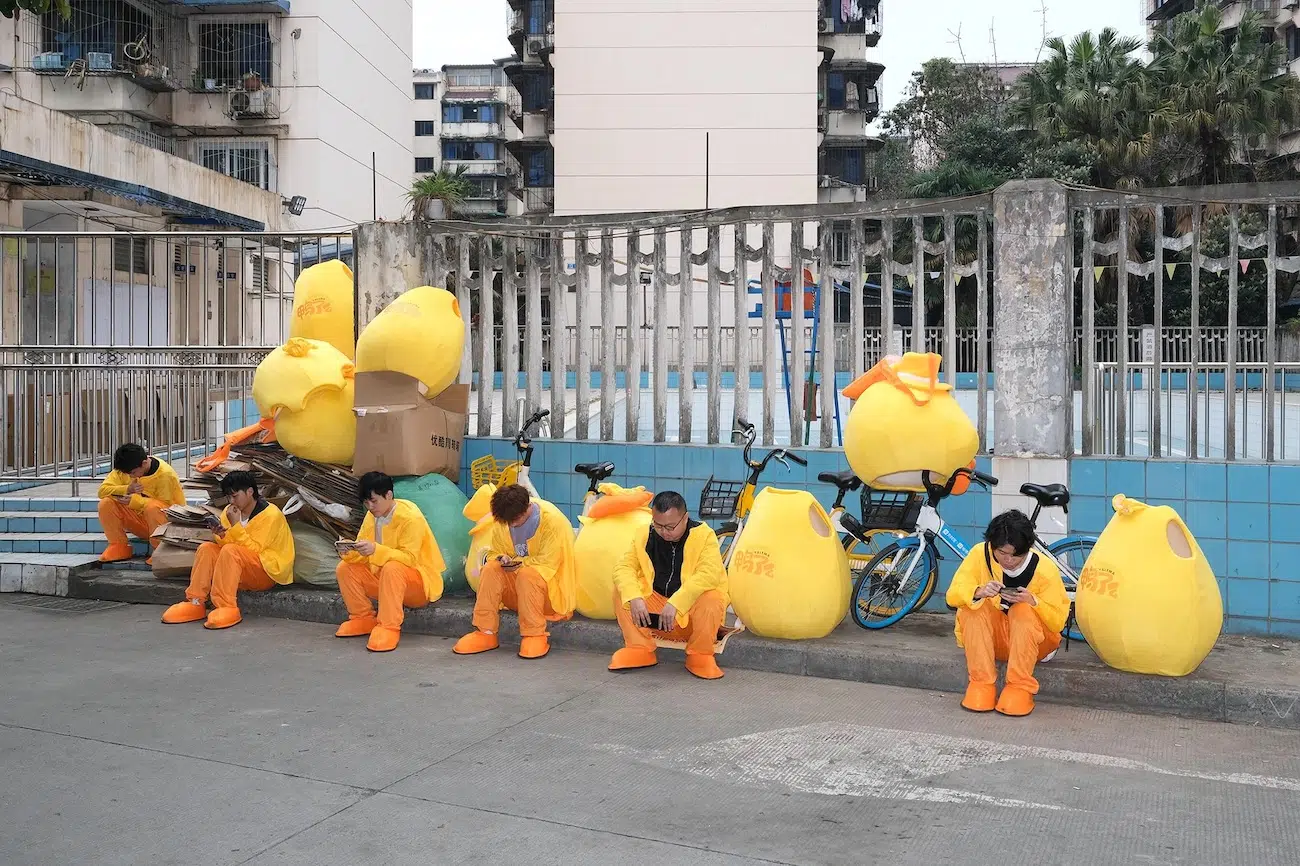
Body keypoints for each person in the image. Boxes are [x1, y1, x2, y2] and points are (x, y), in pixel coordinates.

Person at [945, 509, 1070, 717]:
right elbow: (953, 596)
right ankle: (981, 685)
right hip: (995, 642)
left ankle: (1019, 687)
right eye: (1002, 553)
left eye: (1015, 555)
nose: (1008, 560)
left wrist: (1034, 602)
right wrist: (978, 591)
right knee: (974, 608)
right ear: (992, 545)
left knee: (1022, 610)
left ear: (1027, 548)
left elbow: (1058, 622)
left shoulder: (1045, 568)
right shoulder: (979, 554)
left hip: (1035, 644)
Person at [609, 491, 729, 680]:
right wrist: (634, 597)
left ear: (685, 518)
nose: (664, 532)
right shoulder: (644, 534)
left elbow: (709, 574)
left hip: (687, 618)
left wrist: (676, 603)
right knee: (622, 591)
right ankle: (639, 648)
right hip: (656, 615)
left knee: (711, 598)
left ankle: (700, 654)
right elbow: (623, 567)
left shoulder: (704, 535)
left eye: (671, 527)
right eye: (659, 525)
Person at [453, 483, 576, 660]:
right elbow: (495, 551)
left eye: (515, 519)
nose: (511, 524)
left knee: (528, 574)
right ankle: (485, 631)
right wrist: (501, 558)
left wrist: (517, 562)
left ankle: (534, 634)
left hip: (549, 596)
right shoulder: (503, 519)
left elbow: (547, 564)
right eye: (507, 521)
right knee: (491, 569)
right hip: (518, 594)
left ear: (527, 507)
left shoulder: (552, 521)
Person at [160, 471, 295, 630]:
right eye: (228, 497)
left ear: (250, 491)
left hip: (267, 571)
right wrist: (221, 534)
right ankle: (195, 602)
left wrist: (236, 526)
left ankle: (226, 606)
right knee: (207, 548)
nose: (231, 501)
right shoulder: (229, 512)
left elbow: (255, 549)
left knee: (231, 551)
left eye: (235, 496)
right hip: (240, 568)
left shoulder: (271, 514)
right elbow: (228, 545)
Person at [334, 471, 446, 653]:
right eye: (366, 502)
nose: (370, 506)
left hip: (417, 584)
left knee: (392, 568)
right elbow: (365, 550)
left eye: (374, 501)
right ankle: (361, 617)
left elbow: (409, 559)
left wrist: (376, 550)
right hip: (385, 579)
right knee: (345, 568)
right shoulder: (372, 516)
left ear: (389, 495)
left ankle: (388, 626)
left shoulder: (410, 518)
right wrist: (350, 550)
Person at [96, 443, 187, 564]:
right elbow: (102, 491)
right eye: (128, 473)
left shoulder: (166, 475)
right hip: (141, 523)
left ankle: (161, 550)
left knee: (153, 508)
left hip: (167, 527)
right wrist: (127, 489)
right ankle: (118, 545)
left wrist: (135, 501)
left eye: (133, 473)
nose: (130, 476)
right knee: (106, 503)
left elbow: (169, 508)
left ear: (144, 463)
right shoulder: (125, 468)